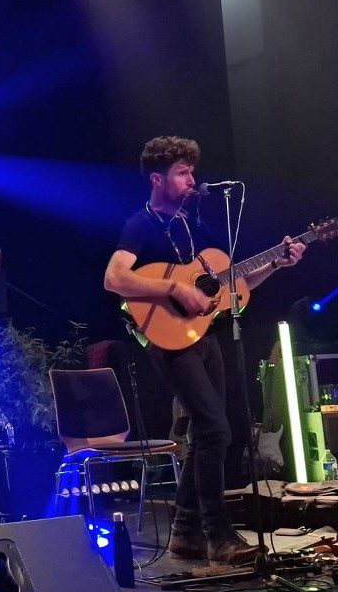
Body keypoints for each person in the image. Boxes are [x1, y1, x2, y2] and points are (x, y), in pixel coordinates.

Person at [103, 135, 306, 565]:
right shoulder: (140, 225)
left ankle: (185, 533)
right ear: (157, 179)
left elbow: (235, 284)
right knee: (215, 431)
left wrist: (276, 262)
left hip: (207, 336)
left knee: (206, 435)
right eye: (182, 173)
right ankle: (219, 537)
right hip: (170, 342)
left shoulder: (194, 227)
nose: (192, 180)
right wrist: (174, 288)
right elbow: (115, 279)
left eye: (192, 172)